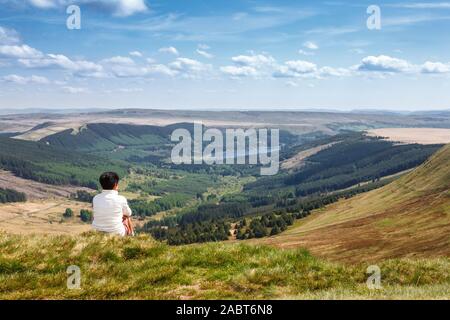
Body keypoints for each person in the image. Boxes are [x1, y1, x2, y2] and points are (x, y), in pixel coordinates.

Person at [92, 172, 134, 236]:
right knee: (126, 217)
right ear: (115, 184)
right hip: (117, 233)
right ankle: (131, 235)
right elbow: (129, 213)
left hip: (96, 232)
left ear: (101, 185)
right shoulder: (121, 199)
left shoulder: (96, 198)